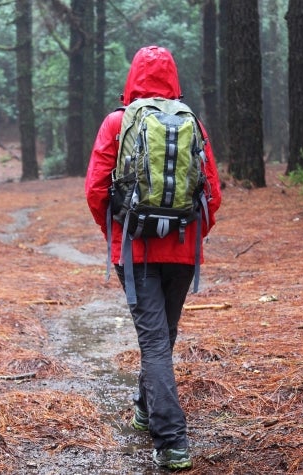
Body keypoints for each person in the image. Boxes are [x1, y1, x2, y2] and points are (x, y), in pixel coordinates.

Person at [85, 45, 221, 471]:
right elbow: (212, 194)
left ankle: (172, 441)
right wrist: (190, 235)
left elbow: (95, 189)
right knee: (164, 337)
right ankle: (146, 408)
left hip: (136, 251)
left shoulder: (117, 122)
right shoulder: (191, 122)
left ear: (132, 78)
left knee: (155, 343)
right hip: (182, 251)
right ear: (174, 78)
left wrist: (118, 233)